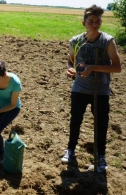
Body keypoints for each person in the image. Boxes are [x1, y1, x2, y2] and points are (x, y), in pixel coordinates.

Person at [62, 4, 121, 172]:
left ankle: (101, 156)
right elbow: (70, 60)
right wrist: (70, 70)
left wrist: (93, 67)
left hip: (100, 90)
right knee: (75, 121)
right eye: (91, 21)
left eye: (98, 21)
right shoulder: (76, 41)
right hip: (79, 89)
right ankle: (70, 150)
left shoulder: (107, 41)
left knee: (101, 124)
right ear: (83, 22)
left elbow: (117, 67)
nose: (95, 25)